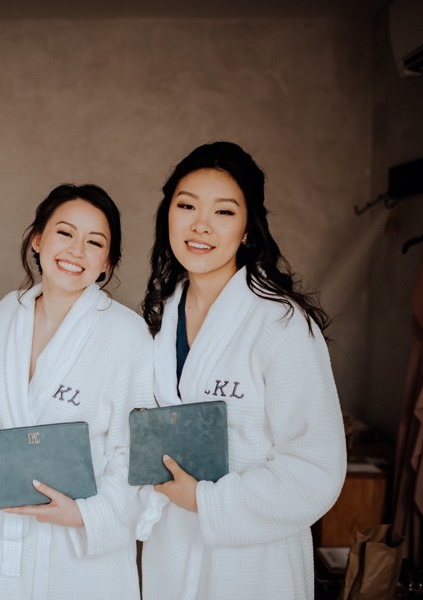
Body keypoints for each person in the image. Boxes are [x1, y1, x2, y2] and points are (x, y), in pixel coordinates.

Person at [136, 141, 347, 600]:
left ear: (248, 229)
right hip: (170, 556)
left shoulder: (280, 324)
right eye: (186, 205)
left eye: (224, 212)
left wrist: (208, 502)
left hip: (254, 567)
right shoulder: (157, 318)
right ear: (167, 215)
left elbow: (316, 468)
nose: (200, 225)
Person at [0, 183, 153, 600]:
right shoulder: (7, 314)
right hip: (6, 544)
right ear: (38, 238)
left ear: (106, 263)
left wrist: (85, 514)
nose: (76, 251)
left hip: (82, 559)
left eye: (94, 242)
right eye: (65, 233)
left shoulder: (126, 334)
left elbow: (136, 453)